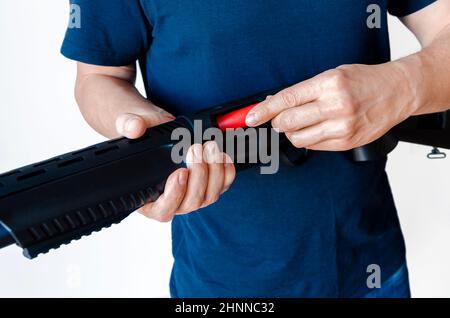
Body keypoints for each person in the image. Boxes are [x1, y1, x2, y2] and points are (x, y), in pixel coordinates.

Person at [61, 0, 450, 297]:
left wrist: (404, 85)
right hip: (217, 284)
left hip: (370, 271)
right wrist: (145, 135)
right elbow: (98, 76)